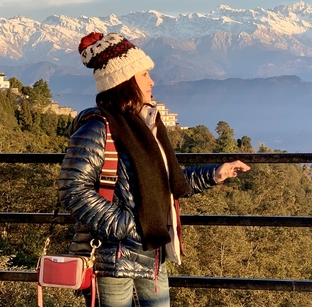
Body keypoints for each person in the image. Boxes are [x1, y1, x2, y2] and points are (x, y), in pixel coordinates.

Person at [58, 32, 249, 307]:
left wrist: (215, 174)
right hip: (114, 260)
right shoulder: (97, 129)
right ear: (125, 82)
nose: (152, 82)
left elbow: (167, 182)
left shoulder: (146, 126)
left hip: (153, 252)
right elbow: (73, 190)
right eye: (144, 74)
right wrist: (127, 226)